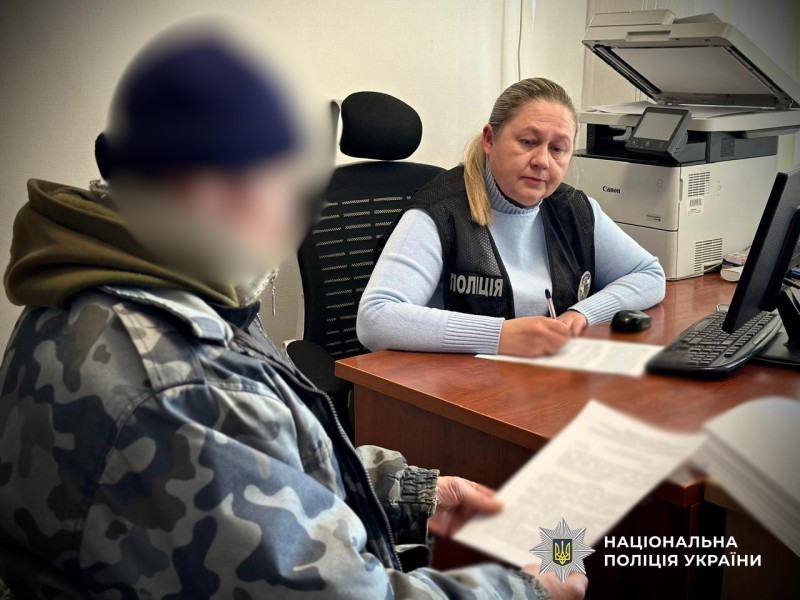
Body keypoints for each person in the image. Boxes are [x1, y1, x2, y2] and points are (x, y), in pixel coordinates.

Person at [0, 19, 587, 599]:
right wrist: (525, 591)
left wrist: (408, 492)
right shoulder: (180, 387)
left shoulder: (125, 283)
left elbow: (267, 454)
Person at [357, 78, 666, 357]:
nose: (542, 161)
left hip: (541, 378)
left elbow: (649, 275)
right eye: (528, 142)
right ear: (489, 140)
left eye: (558, 149)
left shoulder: (573, 209)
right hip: (455, 386)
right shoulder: (440, 212)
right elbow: (376, 318)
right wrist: (499, 336)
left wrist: (583, 313)